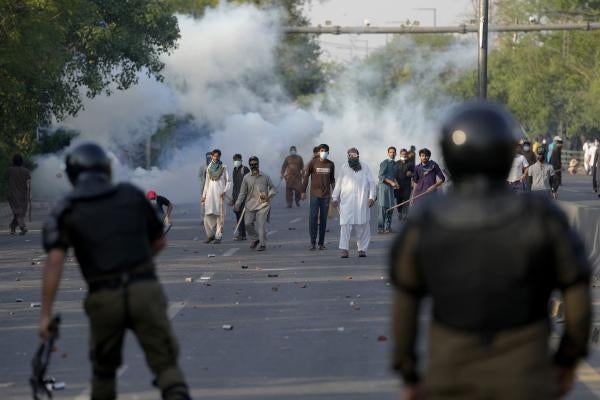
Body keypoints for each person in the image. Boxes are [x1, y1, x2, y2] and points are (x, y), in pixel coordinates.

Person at [390, 101, 591, 400]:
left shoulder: (427, 219)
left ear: (450, 154)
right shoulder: (543, 216)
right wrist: (566, 361)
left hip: (450, 375)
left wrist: (409, 373)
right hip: (527, 375)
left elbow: (405, 306)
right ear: (504, 151)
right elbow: (576, 293)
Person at [39, 143, 191, 400]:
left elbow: (54, 262)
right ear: (107, 169)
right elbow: (159, 241)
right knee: (166, 367)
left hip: (103, 296)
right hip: (144, 289)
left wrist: (45, 316)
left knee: (103, 373)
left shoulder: (66, 208)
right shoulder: (131, 195)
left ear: (73, 174)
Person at [331, 148, 376, 258]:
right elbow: (339, 184)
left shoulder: (365, 167)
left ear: (358, 156)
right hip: (347, 202)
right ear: (347, 157)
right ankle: (344, 250)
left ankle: (362, 249)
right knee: (345, 226)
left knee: (363, 226)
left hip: (362, 202)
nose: (352, 157)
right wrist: (335, 197)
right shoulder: (344, 167)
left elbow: (372, 183)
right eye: (350, 156)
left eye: (354, 155)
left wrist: (371, 197)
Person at [234, 156, 277, 251]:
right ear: (249, 165)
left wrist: (268, 196)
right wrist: (237, 204)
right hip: (250, 205)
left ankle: (262, 244)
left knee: (261, 224)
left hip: (263, 204)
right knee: (248, 224)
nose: (254, 166)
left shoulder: (265, 177)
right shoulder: (246, 178)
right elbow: (242, 193)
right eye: (252, 164)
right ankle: (255, 238)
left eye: (255, 164)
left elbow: (273, 188)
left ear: (258, 164)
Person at [301, 144, 335, 251]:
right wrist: (303, 191)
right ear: (319, 152)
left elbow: (332, 180)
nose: (323, 152)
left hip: (326, 196)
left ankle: (321, 243)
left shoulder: (331, 164)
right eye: (321, 150)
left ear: (328, 152)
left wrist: (336, 193)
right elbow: (306, 177)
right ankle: (312, 243)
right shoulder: (313, 163)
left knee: (323, 220)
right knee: (313, 218)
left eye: (325, 151)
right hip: (315, 195)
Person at [201, 149, 231, 244]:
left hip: (220, 195)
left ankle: (218, 237)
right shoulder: (209, 168)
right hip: (210, 195)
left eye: (217, 156)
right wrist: (203, 195)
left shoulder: (224, 167)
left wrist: (225, 191)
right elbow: (206, 183)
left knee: (219, 217)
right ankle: (210, 236)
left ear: (220, 156)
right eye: (214, 156)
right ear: (212, 156)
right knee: (207, 216)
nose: (216, 158)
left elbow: (229, 181)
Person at [7, 154, 31, 235]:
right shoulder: (26, 171)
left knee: (18, 213)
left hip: (12, 194)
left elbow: (6, 180)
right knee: (19, 212)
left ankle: (12, 226)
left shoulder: (10, 170)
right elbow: (28, 183)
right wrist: (30, 194)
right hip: (23, 195)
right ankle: (23, 226)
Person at [378, 147, 399, 233]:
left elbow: (393, 176)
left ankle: (388, 228)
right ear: (388, 153)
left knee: (391, 207)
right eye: (391, 152)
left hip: (391, 189)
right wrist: (391, 182)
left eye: (394, 152)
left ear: (396, 153)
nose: (392, 154)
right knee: (383, 207)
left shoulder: (395, 164)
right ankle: (381, 228)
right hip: (384, 188)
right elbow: (381, 176)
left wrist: (396, 183)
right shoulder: (384, 163)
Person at [231, 154, 250, 241]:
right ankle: (241, 233)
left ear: (241, 160)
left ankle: (242, 234)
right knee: (238, 214)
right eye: (235, 160)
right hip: (236, 196)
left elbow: (250, 182)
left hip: (244, 196)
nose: (236, 161)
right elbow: (235, 184)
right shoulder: (234, 170)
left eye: (238, 159)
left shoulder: (245, 169)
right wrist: (233, 197)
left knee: (242, 215)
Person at [394, 148, 414, 221]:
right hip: (398, 185)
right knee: (398, 200)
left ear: (407, 155)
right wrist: (395, 183)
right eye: (402, 154)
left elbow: (415, 174)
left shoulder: (410, 164)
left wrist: (411, 174)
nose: (404, 155)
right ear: (400, 154)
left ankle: (405, 214)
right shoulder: (396, 163)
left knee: (406, 200)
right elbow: (393, 175)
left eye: (405, 154)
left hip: (407, 185)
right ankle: (399, 213)